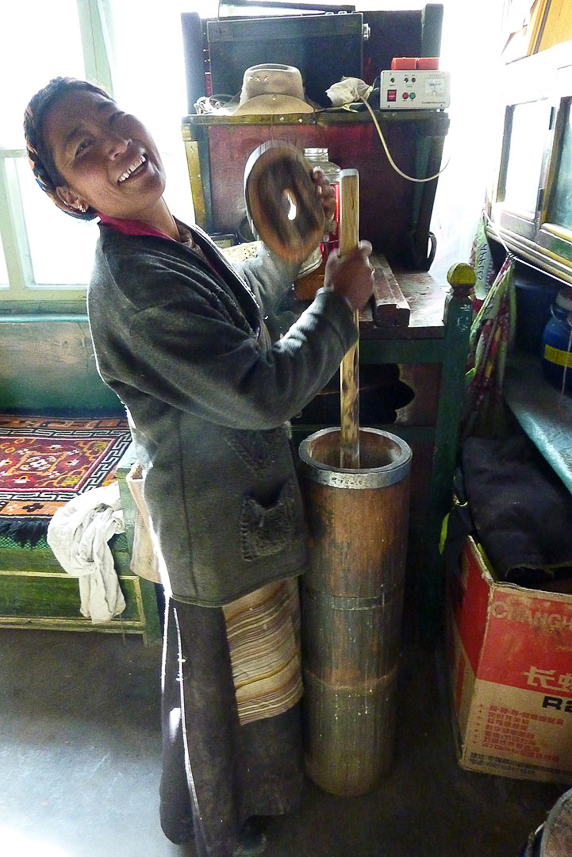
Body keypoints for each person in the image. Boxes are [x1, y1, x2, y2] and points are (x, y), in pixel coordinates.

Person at [24, 77, 374, 857]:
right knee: (218, 695)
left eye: (114, 118)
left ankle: (255, 802)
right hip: (208, 520)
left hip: (234, 499)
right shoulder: (134, 283)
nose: (115, 142)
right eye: (83, 149)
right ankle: (220, 833)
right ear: (71, 197)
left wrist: (287, 255)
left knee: (254, 676)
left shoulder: (169, 237)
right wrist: (339, 304)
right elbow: (262, 388)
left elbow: (240, 299)